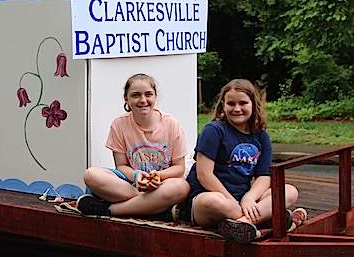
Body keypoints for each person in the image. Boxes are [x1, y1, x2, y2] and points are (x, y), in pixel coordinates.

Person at [185, 78, 300, 243]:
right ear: (223, 105)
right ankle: (267, 217)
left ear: (253, 104)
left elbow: (263, 176)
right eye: (231, 103)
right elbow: (204, 175)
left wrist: (249, 199)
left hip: (243, 197)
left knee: (289, 191)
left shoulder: (261, 135)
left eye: (243, 103)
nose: (237, 109)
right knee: (216, 202)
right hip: (208, 198)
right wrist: (233, 202)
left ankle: (241, 224)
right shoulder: (214, 130)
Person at [78, 73, 190, 217]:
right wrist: (137, 175)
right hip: (130, 182)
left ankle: (109, 209)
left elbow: (179, 168)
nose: (143, 100)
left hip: (162, 184)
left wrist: (157, 176)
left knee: (182, 188)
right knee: (91, 175)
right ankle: (155, 207)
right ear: (127, 99)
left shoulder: (171, 123)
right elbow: (121, 166)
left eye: (148, 94)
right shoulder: (119, 124)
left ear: (155, 96)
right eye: (136, 95)